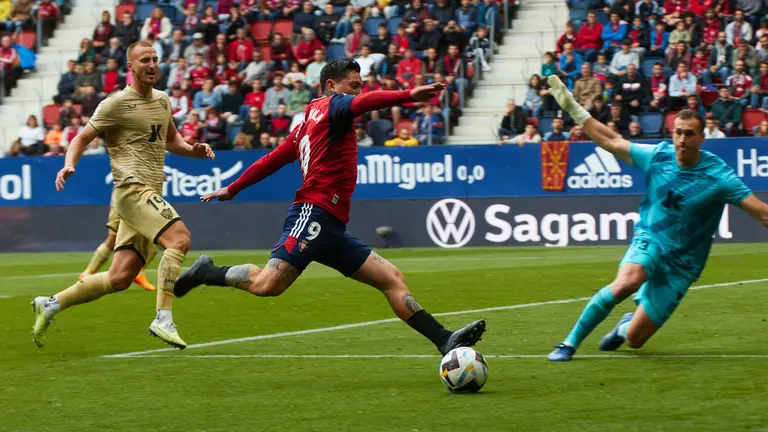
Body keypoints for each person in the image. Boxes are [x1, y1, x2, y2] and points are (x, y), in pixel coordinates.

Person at [174, 59, 486, 357]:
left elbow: (274, 158)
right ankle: (207, 272)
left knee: (391, 278)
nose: (358, 92)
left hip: (331, 226)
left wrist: (233, 187)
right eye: (353, 85)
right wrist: (408, 95)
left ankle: (445, 339)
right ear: (331, 86)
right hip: (314, 213)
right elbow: (363, 104)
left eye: (361, 85)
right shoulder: (334, 105)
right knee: (268, 284)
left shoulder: (308, 121)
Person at [545, 74, 768, 362]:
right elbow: (612, 141)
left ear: (702, 137)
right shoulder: (658, 156)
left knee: (636, 340)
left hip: (683, 265)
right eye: (678, 132)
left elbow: (761, 212)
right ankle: (569, 343)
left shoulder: (719, 177)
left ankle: (625, 326)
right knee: (627, 281)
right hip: (650, 238)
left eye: (689, 134)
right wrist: (574, 108)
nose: (682, 139)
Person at [31, 41, 215, 350]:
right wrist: (67, 165)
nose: (152, 64)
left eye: (155, 59)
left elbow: (173, 141)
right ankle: (163, 317)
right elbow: (81, 138)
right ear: (130, 67)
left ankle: (50, 304)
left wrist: (193, 150)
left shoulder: (163, 100)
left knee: (120, 277)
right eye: (145, 60)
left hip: (150, 192)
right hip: (131, 190)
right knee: (179, 239)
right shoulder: (115, 104)